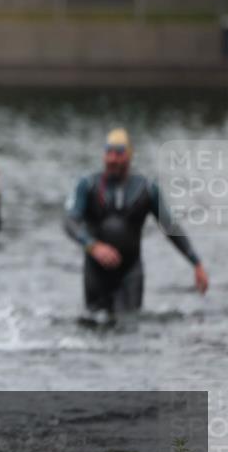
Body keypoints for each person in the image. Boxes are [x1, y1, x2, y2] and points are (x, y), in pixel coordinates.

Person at [64, 128, 209, 315]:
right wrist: (93, 246)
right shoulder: (88, 185)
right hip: (96, 271)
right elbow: (69, 221)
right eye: (109, 152)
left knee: (131, 327)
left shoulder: (146, 189)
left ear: (130, 156)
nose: (113, 159)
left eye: (119, 153)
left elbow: (170, 227)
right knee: (95, 326)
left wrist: (196, 263)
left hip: (130, 272)